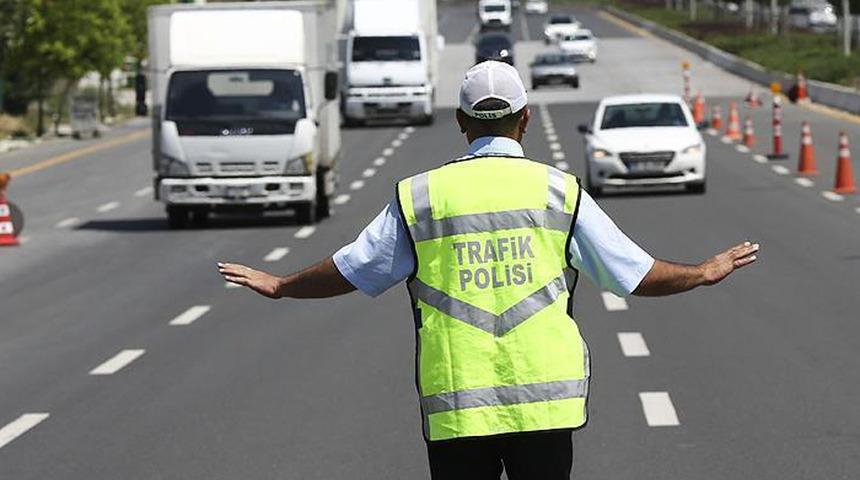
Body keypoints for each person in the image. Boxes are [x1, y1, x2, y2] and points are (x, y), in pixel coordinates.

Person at [218, 61, 759, 479]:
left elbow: (354, 269)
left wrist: (281, 285)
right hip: (547, 407)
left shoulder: (421, 196)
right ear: (524, 119)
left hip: (458, 404)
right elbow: (633, 275)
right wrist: (703, 271)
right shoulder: (558, 191)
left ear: (461, 123)